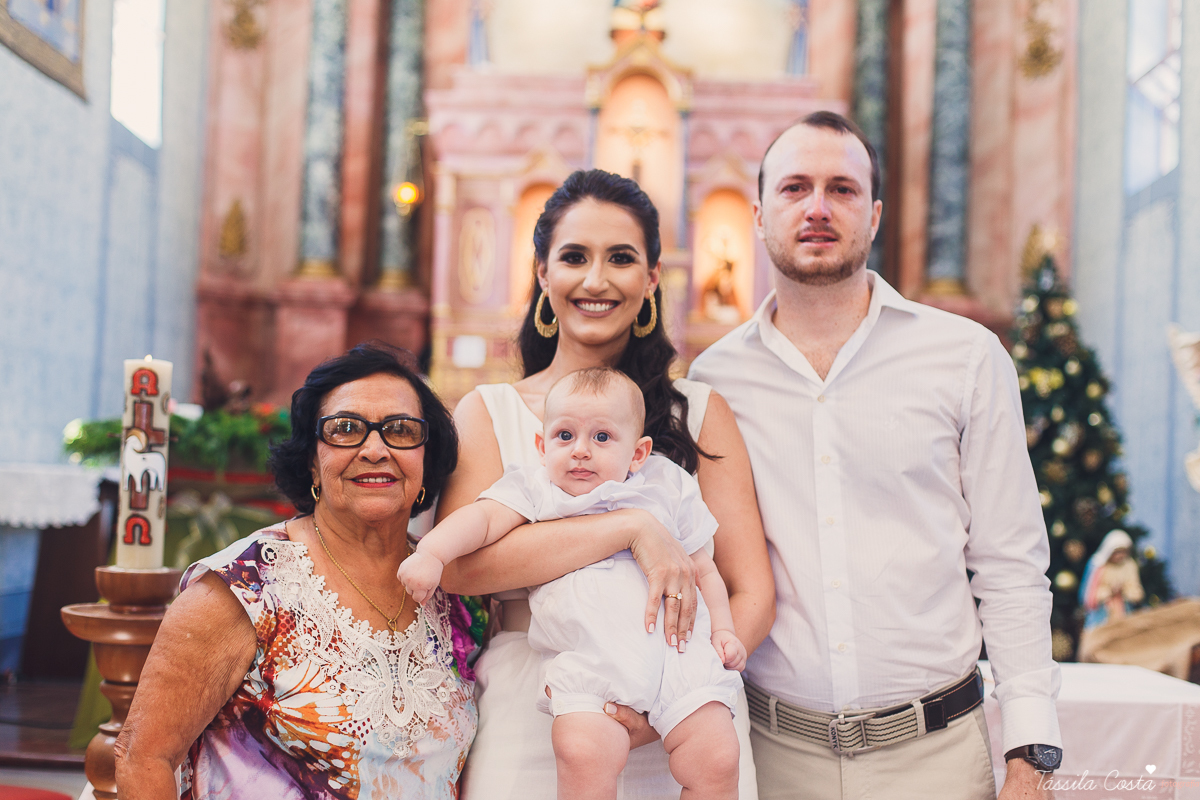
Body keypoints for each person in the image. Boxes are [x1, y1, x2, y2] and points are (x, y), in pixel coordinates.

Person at [689, 110, 1063, 800]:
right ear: (759, 214)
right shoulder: (715, 379)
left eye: (843, 189)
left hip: (938, 756)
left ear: (875, 213)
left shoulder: (964, 357)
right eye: (795, 188)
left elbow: (1010, 561)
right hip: (771, 754)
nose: (818, 208)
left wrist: (1029, 750)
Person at [437, 168, 776, 800]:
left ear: (652, 278)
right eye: (574, 257)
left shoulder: (698, 412)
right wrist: (630, 527)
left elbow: (751, 588)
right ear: (543, 273)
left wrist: (680, 687)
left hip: (686, 702)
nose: (596, 280)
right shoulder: (490, 412)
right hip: (540, 699)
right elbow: (463, 569)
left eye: (621, 258)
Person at [114, 344, 477, 800]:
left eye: (401, 430)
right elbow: (142, 757)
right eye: (345, 429)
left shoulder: (457, 593)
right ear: (311, 459)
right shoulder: (244, 588)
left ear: (426, 458)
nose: (375, 449)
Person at [402, 367, 744, 799]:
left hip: (679, 656)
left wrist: (725, 630)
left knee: (716, 759)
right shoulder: (539, 487)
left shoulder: (666, 485)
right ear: (542, 446)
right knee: (582, 753)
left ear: (638, 453)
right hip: (590, 660)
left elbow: (703, 567)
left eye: (602, 438)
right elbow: (483, 519)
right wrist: (433, 553)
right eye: (565, 436)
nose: (581, 450)